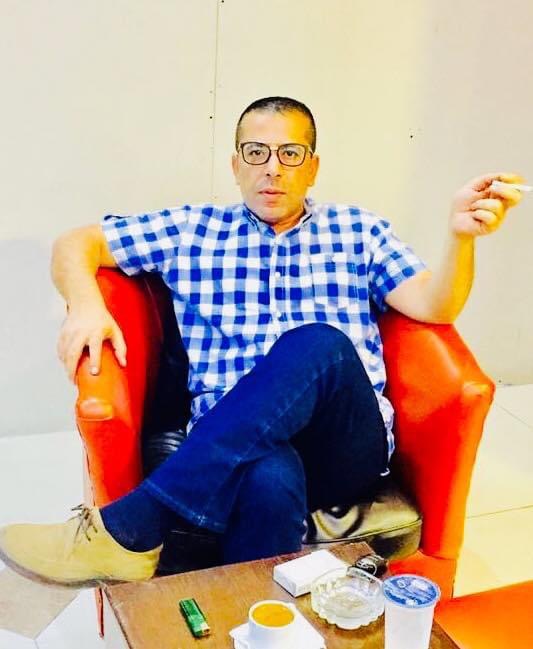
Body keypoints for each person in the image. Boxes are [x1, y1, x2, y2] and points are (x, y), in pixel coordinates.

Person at [0, 96, 525, 587]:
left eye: (289, 153)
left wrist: (460, 238)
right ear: (236, 165)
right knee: (269, 476)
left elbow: (434, 305)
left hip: (343, 446)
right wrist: (85, 305)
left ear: (312, 167)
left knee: (318, 344)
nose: (272, 168)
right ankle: (254, 622)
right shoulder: (192, 229)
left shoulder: (358, 230)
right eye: (256, 152)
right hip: (237, 446)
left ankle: (134, 527)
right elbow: (76, 243)